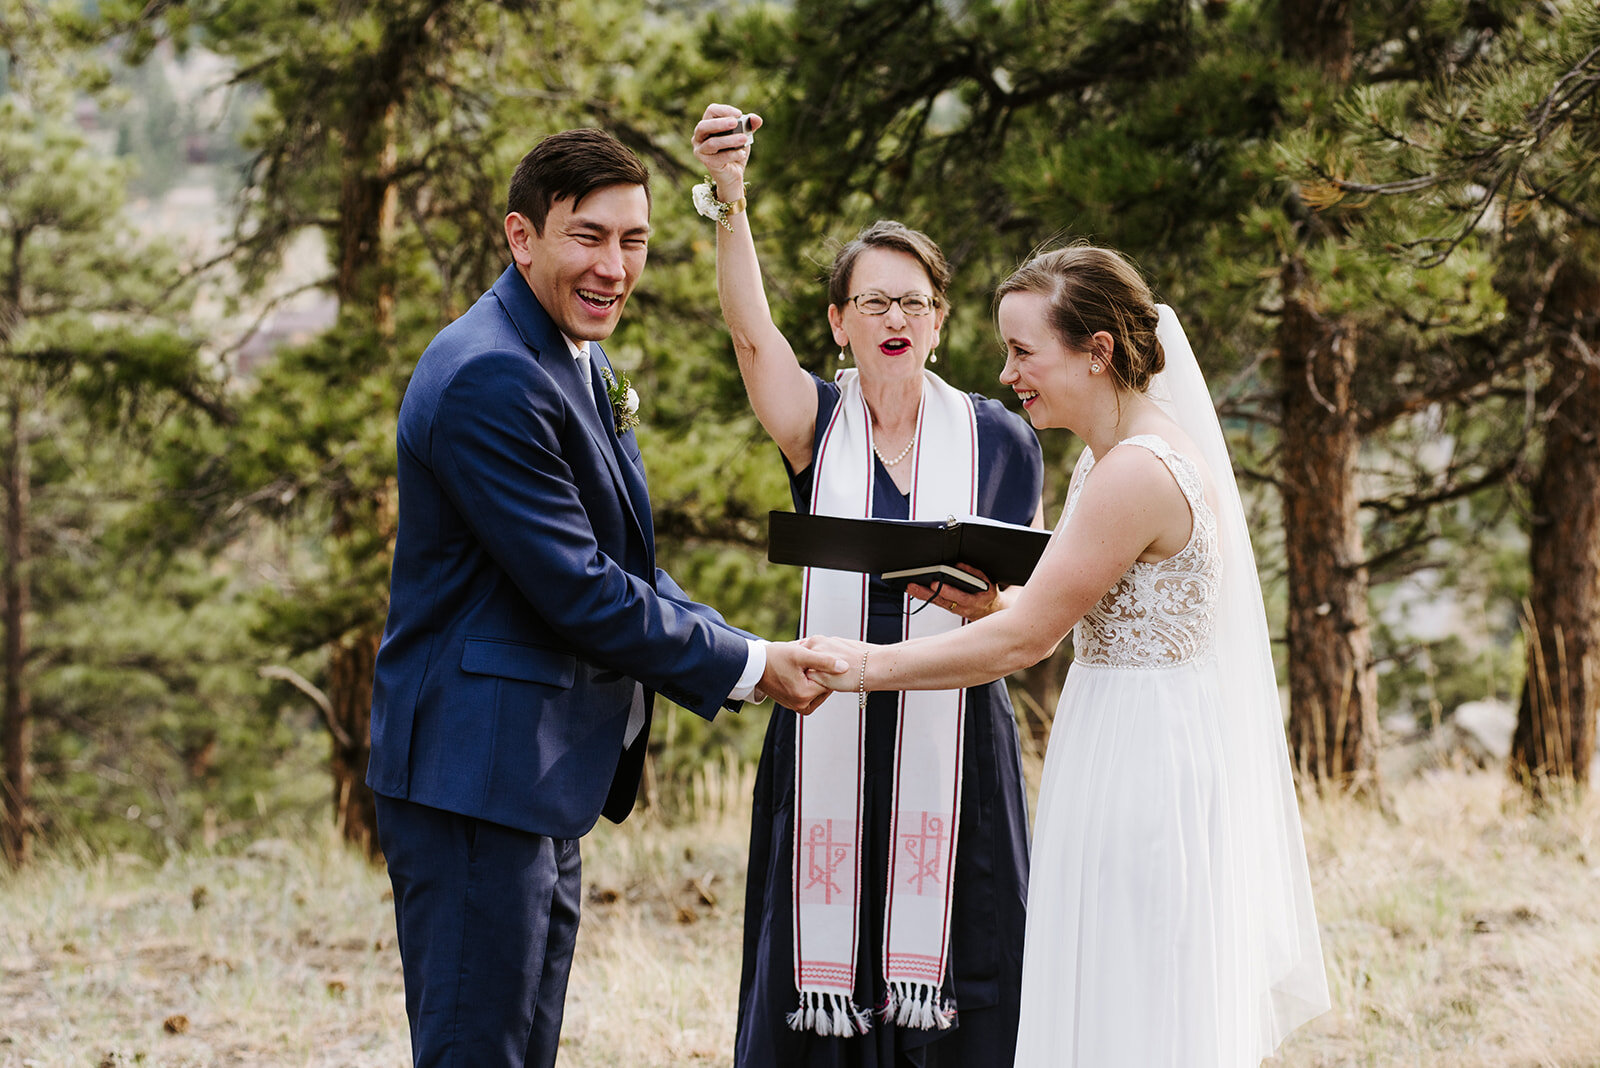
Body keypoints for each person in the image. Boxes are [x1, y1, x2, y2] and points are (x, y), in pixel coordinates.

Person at [365, 127, 846, 1068]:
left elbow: (613, 557)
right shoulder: (491, 375)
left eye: (634, 241)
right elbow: (580, 591)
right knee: (478, 1051)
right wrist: (750, 668)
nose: (614, 267)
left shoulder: (566, 353)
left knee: (520, 1048)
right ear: (521, 237)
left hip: (537, 775)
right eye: (588, 237)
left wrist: (733, 637)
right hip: (477, 779)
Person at [807, 246, 1332, 1066]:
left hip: (1142, 757)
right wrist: (992, 602)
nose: (1009, 371)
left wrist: (864, 667)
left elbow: (1028, 640)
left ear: (1097, 351)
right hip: (1126, 730)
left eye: (1024, 350)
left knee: (1132, 980)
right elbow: (1067, 611)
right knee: (1116, 972)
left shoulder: (1135, 471)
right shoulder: (1109, 457)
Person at [690, 105, 1045, 1068]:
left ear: (940, 319)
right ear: (841, 322)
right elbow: (752, 337)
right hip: (828, 712)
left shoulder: (999, 438)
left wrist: (991, 609)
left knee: (968, 958)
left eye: (914, 301)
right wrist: (731, 200)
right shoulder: (818, 424)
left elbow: (1026, 604)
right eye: (873, 302)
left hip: (954, 726)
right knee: (818, 952)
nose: (895, 318)